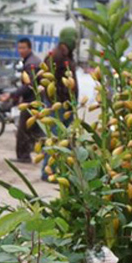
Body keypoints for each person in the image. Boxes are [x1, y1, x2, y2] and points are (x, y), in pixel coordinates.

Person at [41, 28, 79, 181]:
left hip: (67, 105)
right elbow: (46, 78)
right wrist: (54, 100)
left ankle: (63, 170)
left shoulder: (67, 55)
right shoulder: (55, 55)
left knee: (67, 140)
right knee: (55, 139)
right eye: (74, 38)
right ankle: (48, 172)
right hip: (58, 105)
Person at [0, 37, 42, 163]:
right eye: (19, 48)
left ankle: (23, 156)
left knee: (24, 130)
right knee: (32, 130)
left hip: (31, 101)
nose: (20, 50)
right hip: (34, 99)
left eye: (23, 48)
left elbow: (29, 85)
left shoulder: (31, 63)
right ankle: (27, 153)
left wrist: (13, 95)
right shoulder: (30, 61)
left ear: (29, 48)